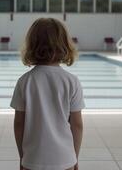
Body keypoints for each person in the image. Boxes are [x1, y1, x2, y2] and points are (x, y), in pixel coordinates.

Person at [11, 18, 85, 170]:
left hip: (33, 158)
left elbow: (19, 124)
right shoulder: (72, 81)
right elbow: (77, 125)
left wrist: (22, 156)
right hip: (64, 158)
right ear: (64, 45)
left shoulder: (24, 81)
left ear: (31, 45)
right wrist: (74, 157)